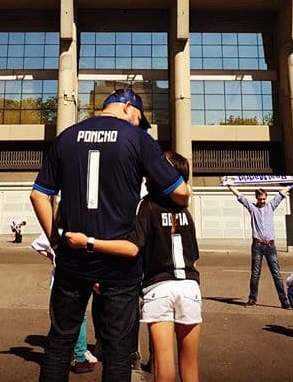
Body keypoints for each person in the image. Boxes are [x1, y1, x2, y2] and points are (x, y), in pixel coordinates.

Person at [30, 87, 189, 382]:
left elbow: (38, 195)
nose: (138, 124)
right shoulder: (137, 139)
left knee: (60, 342)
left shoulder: (67, 135)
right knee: (117, 350)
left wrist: (56, 242)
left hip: (73, 258)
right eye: (139, 118)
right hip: (119, 260)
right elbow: (180, 191)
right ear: (128, 107)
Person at [66, 151, 202, 382]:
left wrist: (88, 242)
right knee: (190, 365)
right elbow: (195, 256)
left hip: (159, 288)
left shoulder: (147, 205)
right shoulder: (185, 212)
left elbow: (132, 248)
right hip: (190, 287)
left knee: (164, 367)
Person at [32, 232, 98, 374]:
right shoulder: (75, 228)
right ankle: (79, 357)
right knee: (79, 318)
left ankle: (66, 354)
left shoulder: (58, 229)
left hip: (61, 280)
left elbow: (37, 245)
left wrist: (54, 258)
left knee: (62, 319)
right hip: (75, 279)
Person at [225, 181, 293, 308]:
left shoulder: (271, 206)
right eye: (260, 199)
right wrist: (229, 185)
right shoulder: (252, 208)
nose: (262, 201)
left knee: (276, 273)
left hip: (270, 246)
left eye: (264, 198)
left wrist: (291, 184)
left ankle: (284, 300)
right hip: (257, 246)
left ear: (266, 197)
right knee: (255, 273)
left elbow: (281, 195)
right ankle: (252, 299)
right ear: (256, 198)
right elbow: (240, 196)